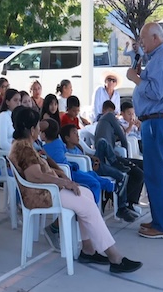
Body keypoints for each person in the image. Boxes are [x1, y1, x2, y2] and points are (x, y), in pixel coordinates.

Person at [8, 106, 142, 273]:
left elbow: (41, 170)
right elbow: (35, 176)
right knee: (87, 206)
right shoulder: (24, 148)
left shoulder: (24, 145)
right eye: (37, 126)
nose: (39, 129)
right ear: (30, 129)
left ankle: (88, 249)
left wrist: (61, 176)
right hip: (43, 193)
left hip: (48, 189)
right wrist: (64, 183)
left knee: (87, 194)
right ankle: (115, 257)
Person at [127, 21, 163, 239]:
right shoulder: (158, 57)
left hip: (157, 122)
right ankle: (159, 220)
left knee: (156, 175)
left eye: (144, 40)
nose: (142, 44)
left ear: (155, 38)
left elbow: (156, 92)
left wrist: (135, 79)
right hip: (155, 122)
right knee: (153, 174)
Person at [41, 119, 115, 208]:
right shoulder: (58, 143)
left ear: (43, 135)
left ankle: (111, 187)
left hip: (70, 170)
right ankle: (92, 207)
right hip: (69, 173)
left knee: (92, 175)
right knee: (95, 183)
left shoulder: (44, 148)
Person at [93, 101, 143, 221]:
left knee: (142, 165)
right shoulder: (109, 117)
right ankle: (125, 203)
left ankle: (129, 202)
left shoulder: (102, 122)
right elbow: (123, 139)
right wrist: (127, 156)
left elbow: (115, 138)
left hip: (111, 156)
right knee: (138, 173)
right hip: (110, 159)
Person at [0, 88, 20, 152]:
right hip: (4, 153)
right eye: (15, 100)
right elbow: (3, 144)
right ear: (7, 102)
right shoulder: (3, 116)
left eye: (19, 100)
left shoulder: (16, 116)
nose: (18, 103)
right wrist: (19, 151)